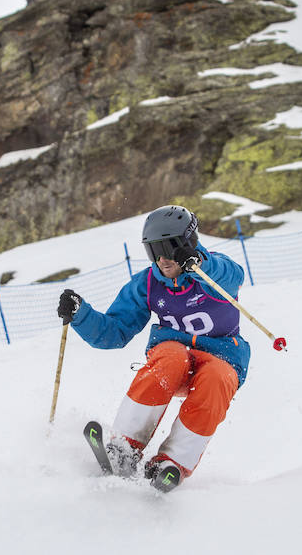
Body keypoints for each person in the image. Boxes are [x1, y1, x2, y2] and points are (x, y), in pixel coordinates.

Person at [57, 205, 250, 485]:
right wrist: (81, 315)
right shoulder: (147, 284)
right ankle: (123, 449)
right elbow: (115, 332)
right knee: (172, 356)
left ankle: (171, 464)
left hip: (222, 357)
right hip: (174, 359)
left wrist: (200, 264)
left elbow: (234, 276)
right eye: (152, 250)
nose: (161, 258)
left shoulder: (213, 273)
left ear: (187, 243)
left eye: (168, 247)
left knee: (217, 378)